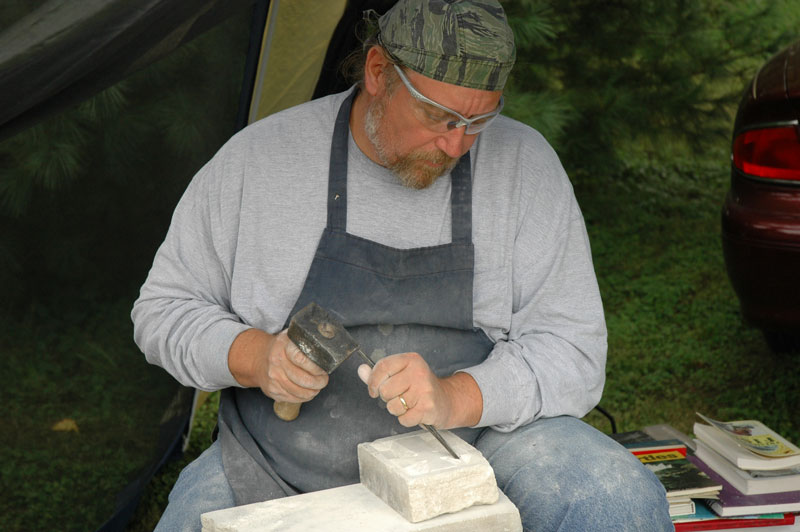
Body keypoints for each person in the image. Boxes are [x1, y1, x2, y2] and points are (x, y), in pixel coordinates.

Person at [132, 1, 673, 530]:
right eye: (439, 116)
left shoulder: (526, 169)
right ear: (378, 73)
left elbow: (573, 350)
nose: (457, 143)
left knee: (616, 498)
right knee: (195, 521)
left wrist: (455, 394)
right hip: (279, 459)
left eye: (479, 119)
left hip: (483, 448)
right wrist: (257, 357)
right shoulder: (259, 162)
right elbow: (163, 309)